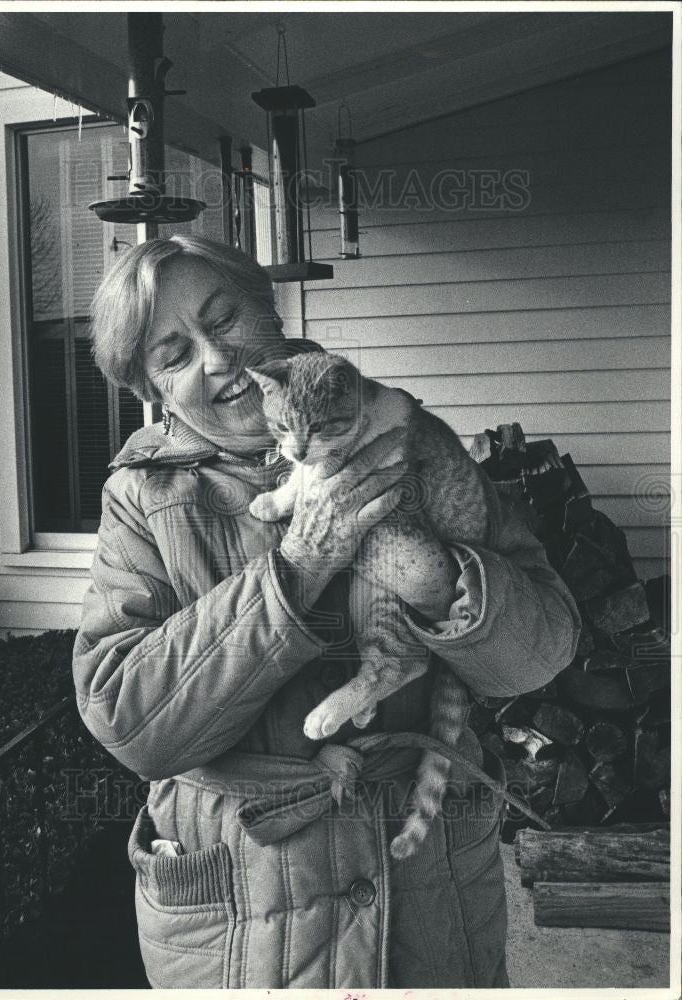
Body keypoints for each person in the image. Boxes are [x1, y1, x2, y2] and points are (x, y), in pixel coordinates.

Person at [72, 234, 581, 989]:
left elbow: (543, 652)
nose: (216, 360)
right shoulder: (142, 497)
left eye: (225, 320)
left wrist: (439, 581)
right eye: (173, 354)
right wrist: (297, 568)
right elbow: (129, 720)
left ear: (268, 309)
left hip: (425, 884)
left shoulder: (395, 431)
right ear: (150, 388)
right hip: (245, 905)